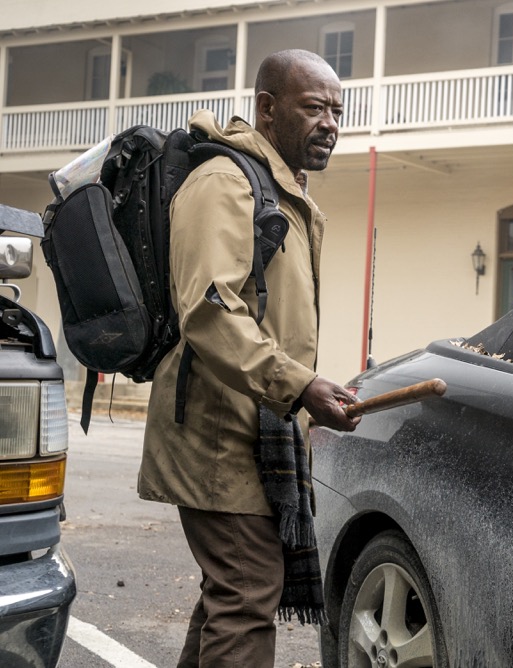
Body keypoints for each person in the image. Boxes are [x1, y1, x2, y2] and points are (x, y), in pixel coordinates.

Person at [137, 49, 361, 667]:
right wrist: (299, 385)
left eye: (338, 110)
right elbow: (209, 310)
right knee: (244, 597)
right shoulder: (224, 183)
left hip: (257, 430)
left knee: (229, 598)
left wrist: (305, 394)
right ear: (267, 108)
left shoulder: (283, 190)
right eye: (314, 107)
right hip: (217, 436)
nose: (330, 124)